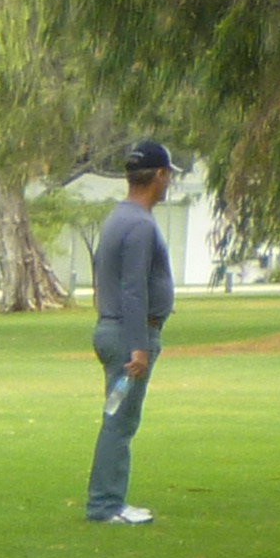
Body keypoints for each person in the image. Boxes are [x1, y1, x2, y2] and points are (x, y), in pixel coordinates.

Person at [83, 139, 179, 525]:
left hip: (115, 329)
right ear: (159, 175)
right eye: (168, 175)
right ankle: (106, 505)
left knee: (118, 419)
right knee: (120, 422)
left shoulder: (117, 218)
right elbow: (133, 287)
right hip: (129, 336)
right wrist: (138, 346)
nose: (168, 182)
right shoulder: (139, 224)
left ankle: (108, 501)